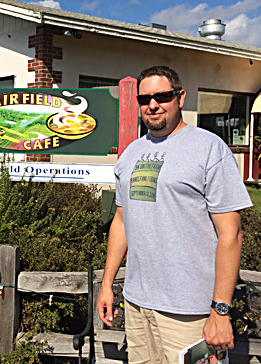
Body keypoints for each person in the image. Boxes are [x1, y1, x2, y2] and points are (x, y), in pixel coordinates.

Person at [96, 66, 252, 363]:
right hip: (138, 306)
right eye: (145, 99)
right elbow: (121, 221)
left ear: (180, 97)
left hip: (191, 312)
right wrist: (107, 284)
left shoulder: (208, 148)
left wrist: (220, 311)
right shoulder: (130, 154)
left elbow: (231, 233)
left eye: (162, 96)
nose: (152, 105)